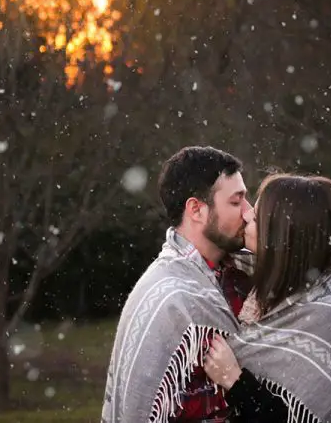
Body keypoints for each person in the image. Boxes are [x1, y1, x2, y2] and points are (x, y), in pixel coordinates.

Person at [101, 146, 254, 423]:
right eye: (236, 202)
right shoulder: (166, 298)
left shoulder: (246, 274)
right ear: (196, 209)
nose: (248, 212)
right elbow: (142, 410)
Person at [203, 173, 331, 423]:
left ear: (281, 237)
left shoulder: (329, 315)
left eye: (256, 218)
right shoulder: (273, 277)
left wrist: (235, 381)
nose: (246, 216)